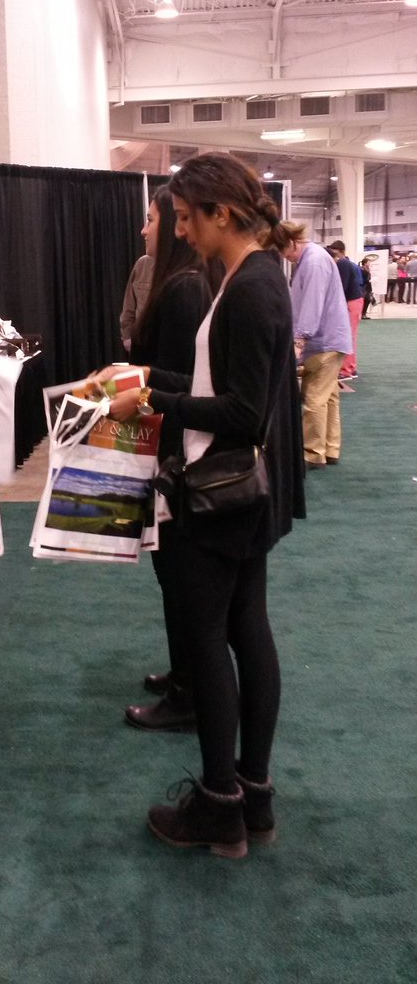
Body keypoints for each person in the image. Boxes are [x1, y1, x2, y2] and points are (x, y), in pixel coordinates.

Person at [104, 152, 305, 859]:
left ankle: (220, 804)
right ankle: (250, 797)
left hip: (216, 499)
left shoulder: (249, 287)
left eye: (188, 217)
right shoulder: (247, 277)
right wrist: (135, 376)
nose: (179, 230)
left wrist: (152, 399)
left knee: (212, 641)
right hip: (236, 499)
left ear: (221, 213)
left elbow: (243, 412)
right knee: (246, 632)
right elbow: (212, 376)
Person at [122, 185, 212, 731]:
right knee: (169, 571)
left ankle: (189, 691)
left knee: (178, 574)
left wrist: (142, 382)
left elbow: (190, 385)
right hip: (170, 452)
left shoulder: (184, 290)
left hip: (179, 460)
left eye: (156, 219)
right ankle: (185, 673)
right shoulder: (173, 284)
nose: (150, 229)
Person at [281, 228, 352, 469]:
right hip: (331, 338)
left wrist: (299, 342)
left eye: (283, 249)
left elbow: (312, 304)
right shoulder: (313, 258)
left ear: (292, 242)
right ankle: (330, 449)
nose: (284, 255)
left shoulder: (313, 261)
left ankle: (312, 453)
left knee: (314, 398)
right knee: (328, 397)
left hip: (324, 341)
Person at [328, 240, 363, 380]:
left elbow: (341, 287)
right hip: (354, 301)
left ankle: (346, 370)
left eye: (334, 252)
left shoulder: (342, 264)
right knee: (350, 336)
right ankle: (351, 368)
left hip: (351, 302)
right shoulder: (345, 263)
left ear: (341, 252)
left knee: (347, 337)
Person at [119, 253, 154, 353]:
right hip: (142, 346)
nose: (143, 235)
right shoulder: (142, 264)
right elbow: (129, 305)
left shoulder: (183, 266)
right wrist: (127, 339)